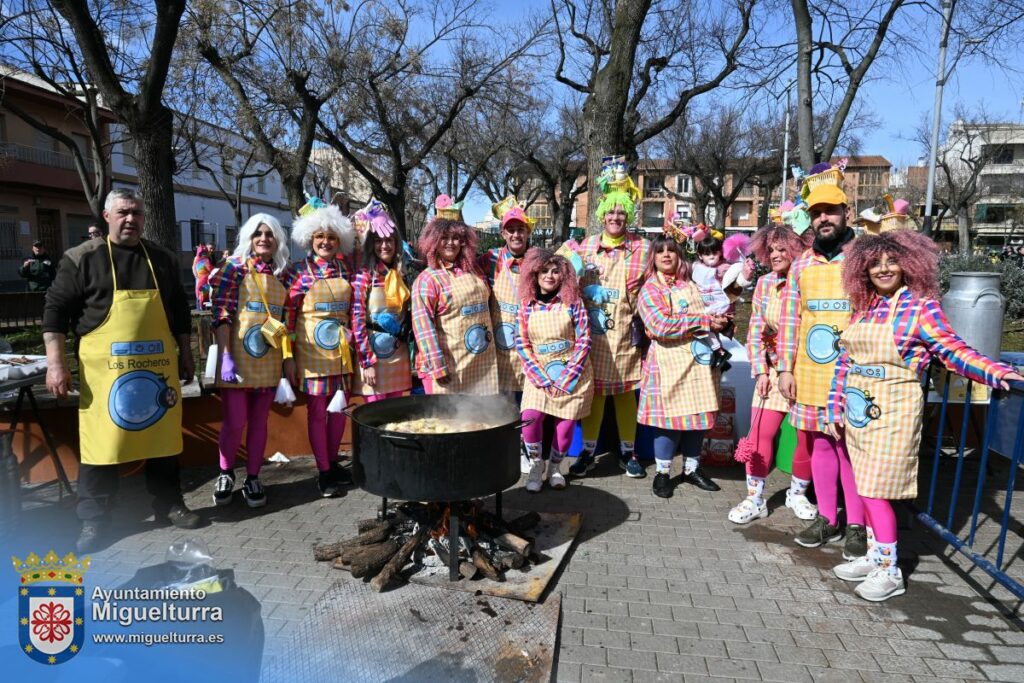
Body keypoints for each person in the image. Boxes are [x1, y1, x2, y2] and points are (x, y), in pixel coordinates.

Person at [827, 229, 1022, 601]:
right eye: (874, 263)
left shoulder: (921, 306)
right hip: (857, 410)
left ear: (908, 264)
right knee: (864, 487)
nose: (884, 269)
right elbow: (845, 362)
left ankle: (890, 571)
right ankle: (875, 555)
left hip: (895, 412)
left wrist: (997, 373)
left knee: (876, 491)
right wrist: (834, 406)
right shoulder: (865, 307)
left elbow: (954, 350)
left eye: (892, 260)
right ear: (862, 269)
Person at [42, 188, 198, 553]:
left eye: (137, 213)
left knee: (162, 440)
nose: (131, 219)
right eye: (123, 212)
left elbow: (179, 310)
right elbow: (55, 311)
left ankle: (170, 505)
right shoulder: (81, 258)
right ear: (107, 217)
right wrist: (55, 363)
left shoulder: (161, 258)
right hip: (104, 375)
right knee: (101, 445)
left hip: (156, 369)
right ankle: (94, 520)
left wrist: (186, 353)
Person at [777, 160, 867, 559]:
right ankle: (828, 517)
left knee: (851, 449)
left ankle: (857, 524)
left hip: (853, 375)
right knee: (820, 447)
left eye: (830, 210)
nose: (824, 218)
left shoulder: (864, 258)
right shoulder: (802, 264)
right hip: (810, 374)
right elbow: (790, 320)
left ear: (846, 211)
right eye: (817, 213)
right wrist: (785, 368)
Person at [566, 156, 651, 478]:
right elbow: (562, 279)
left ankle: (629, 453)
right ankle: (588, 453)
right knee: (596, 394)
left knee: (626, 395)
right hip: (591, 337)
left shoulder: (643, 248)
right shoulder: (585, 247)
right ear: (601, 215)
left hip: (626, 335)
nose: (616, 217)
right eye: (611, 212)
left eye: (621, 212)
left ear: (628, 215)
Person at [729, 224, 817, 524]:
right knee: (758, 435)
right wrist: (761, 370)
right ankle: (754, 499)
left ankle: (797, 494)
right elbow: (756, 330)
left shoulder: (811, 280)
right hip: (773, 373)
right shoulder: (765, 283)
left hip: (807, 374)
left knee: (806, 438)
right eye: (772, 250)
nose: (776, 255)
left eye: (783, 249)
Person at [208, 215, 291, 508]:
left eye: (269, 234)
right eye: (258, 233)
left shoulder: (283, 274)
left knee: (259, 423)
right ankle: (225, 472)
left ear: (278, 239)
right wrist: (225, 357)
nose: (264, 239)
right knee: (234, 422)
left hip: (269, 360)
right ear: (249, 237)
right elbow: (221, 314)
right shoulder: (233, 268)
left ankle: (253, 476)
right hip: (238, 360)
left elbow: (288, 319)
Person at [637, 233, 727, 498]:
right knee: (669, 422)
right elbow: (659, 325)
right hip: (669, 363)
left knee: (698, 417)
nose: (666, 255)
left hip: (698, 363)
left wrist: (721, 320)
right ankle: (663, 473)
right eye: (660, 251)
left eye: (671, 251)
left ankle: (691, 469)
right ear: (653, 258)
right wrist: (704, 321)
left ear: (679, 256)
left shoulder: (691, 284)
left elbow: (710, 310)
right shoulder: (651, 289)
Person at [285, 200, 358, 497]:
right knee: (317, 412)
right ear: (309, 239)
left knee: (338, 411)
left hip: (341, 354)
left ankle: (333, 462)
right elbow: (288, 317)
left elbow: (354, 309)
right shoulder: (298, 272)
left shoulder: (346, 270)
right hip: (312, 355)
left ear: (339, 240)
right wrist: (288, 356)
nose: (325, 242)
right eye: (319, 237)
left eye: (331, 237)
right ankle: (323, 470)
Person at [516, 248, 593, 492]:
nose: (549, 276)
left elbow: (584, 340)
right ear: (534, 275)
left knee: (566, 424)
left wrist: (565, 380)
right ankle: (536, 465)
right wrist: (542, 379)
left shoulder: (574, 303)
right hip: (538, 374)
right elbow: (522, 343)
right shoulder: (526, 305)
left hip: (573, 374)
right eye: (544, 271)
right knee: (530, 418)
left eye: (555, 271)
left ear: (564, 276)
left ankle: (556, 468)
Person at [411, 196, 499, 395]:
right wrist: (438, 366)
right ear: (433, 242)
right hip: (447, 369)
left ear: (464, 241)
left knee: (481, 415)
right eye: (444, 237)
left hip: (480, 365)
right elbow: (423, 327)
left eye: (456, 237)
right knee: (447, 415)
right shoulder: (427, 280)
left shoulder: (475, 271)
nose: (450, 243)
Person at [481, 196, 534, 472]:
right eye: (510, 230)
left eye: (520, 229)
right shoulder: (490, 259)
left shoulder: (536, 260)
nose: (516, 235)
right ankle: (501, 448)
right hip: (498, 348)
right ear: (503, 233)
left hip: (527, 343)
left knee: (526, 401)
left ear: (528, 232)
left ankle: (524, 447)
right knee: (501, 402)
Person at [351, 199, 413, 402]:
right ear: (372, 245)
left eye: (389, 240)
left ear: (396, 244)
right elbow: (357, 321)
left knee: (397, 413)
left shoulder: (402, 275)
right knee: (375, 414)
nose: (384, 245)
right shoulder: (364, 276)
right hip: (373, 359)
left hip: (399, 355)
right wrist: (366, 361)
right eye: (378, 241)